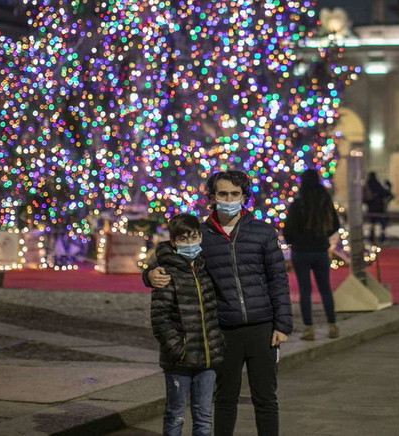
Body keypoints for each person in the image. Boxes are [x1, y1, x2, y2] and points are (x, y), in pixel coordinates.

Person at [146, 170, 291, 436]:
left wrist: (282, 324)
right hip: (224, 329)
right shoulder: (201, 234)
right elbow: (171, 252)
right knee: (225, 399)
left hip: (262, 328)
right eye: (223, 194)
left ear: (244, 197)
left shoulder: (262, 232)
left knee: (266, 399)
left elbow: (278, 279)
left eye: (235, 194)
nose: (229, 199)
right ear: (212, 197)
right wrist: (149, 273)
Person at [150, 213, 226, 436]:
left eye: (193, 237)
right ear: (173, 241)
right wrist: (178, 349)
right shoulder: (166, 273)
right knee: (175, 414)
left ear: (200, 237)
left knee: (203, 416)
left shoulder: (204, 268)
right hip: (179, 361)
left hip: (207, 357)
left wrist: (216, 343)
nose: (190, 244)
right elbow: (160, 318)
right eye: (183, 239)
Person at [283, 169, 341, 341]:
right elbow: (335, 225)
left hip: (300, 252)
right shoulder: (325, 201)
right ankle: (333, 326)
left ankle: (309, 329)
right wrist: (322, 235)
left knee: (305, 290)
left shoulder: (298, 203)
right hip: (320, 251)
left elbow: (288, 230)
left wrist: (294, 241)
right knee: (325, 289)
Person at [363, 172, 394, 245]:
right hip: (379, 208)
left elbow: (364, 198)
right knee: (382, 224)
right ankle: (382, 238)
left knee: (372, 224)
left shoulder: (368, 185)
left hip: (371, 208)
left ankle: (371, 238)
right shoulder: (376, 184)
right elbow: (385, 193)